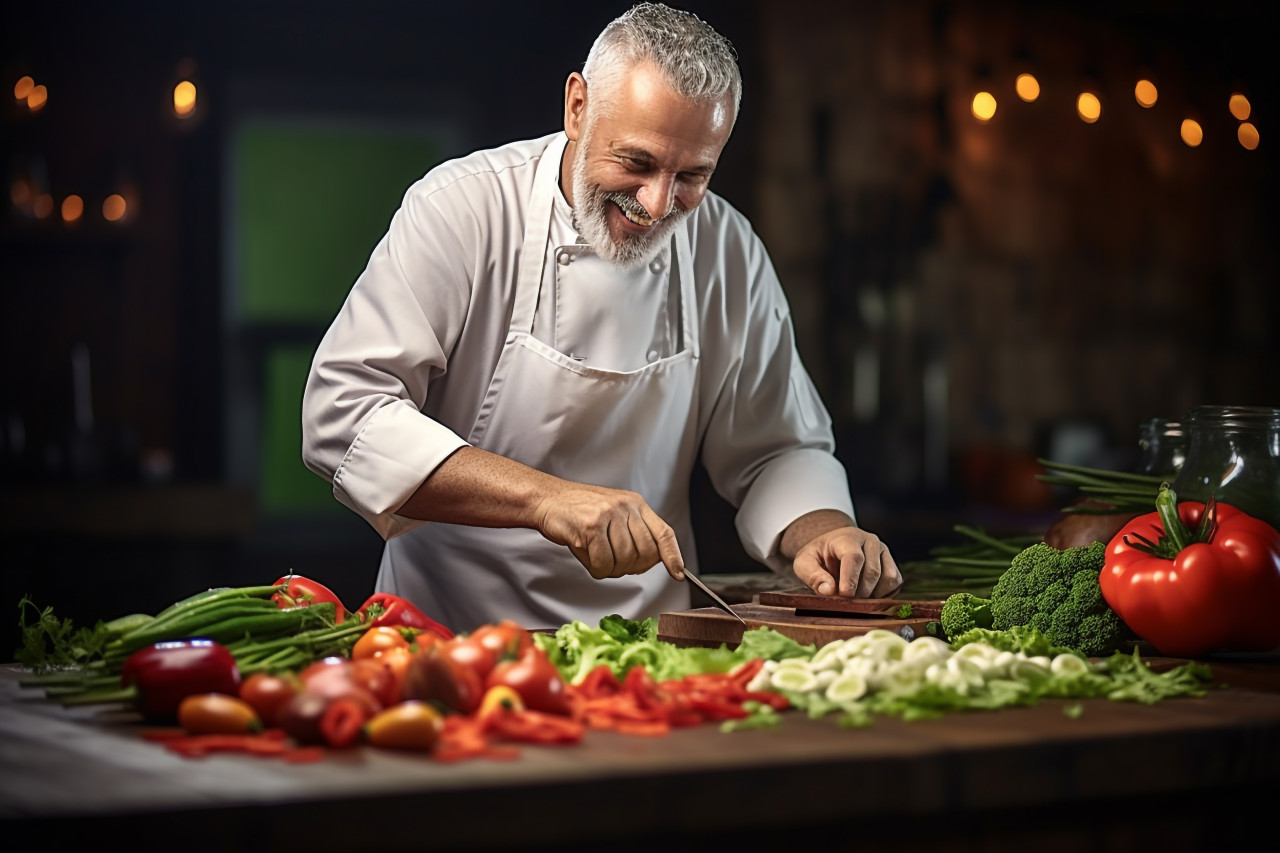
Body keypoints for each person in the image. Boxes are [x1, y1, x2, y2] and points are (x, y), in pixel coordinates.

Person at [301, 2, 901, 632]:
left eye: (692, 174)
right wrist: (547, 498)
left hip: (643, 646)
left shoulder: (727, 248)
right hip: (451, 639)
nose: (658, 203)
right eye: (637, 163)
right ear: (577, 107)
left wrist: (824, 530)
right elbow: (345, 415)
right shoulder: (462, 210)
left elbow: (775, 444)